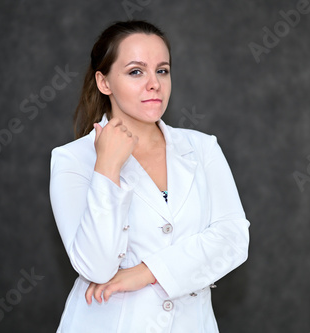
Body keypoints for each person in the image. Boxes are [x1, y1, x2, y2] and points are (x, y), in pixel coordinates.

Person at [49, 20, 250, 333]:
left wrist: (146, 272)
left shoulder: (201, 147)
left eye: (162, 70)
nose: (154, 83)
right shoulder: (73, 159)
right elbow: (97, 267)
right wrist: (107, 168)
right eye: (135, 71)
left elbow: (232, 239)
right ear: (104, 82)